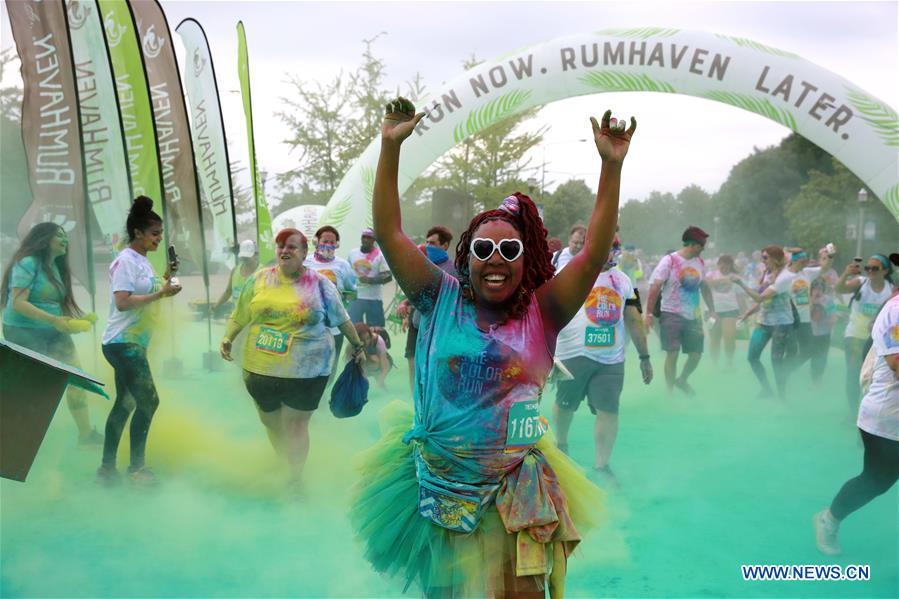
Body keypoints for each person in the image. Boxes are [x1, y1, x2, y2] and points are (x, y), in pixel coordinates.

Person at [350, 97, 633, 596]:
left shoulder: (542, 312)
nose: (495, 260)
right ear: (467, 257)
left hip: (516, 482)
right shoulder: (439, 297)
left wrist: (611, 167)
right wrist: (390, 146)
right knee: (448, 591)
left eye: (509, 249)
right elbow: (391, 233)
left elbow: (591, 254)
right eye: (483, 249)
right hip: (442, 481)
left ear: (528, 261)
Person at [220, 228, 365, 488]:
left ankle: (294, 478)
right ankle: (285, 462)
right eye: (280, 246)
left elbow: (342, 318)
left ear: (304, 252)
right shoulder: (260, 279)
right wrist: (228, 337)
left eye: (292, 246)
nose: (285, 250)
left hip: (307, 369)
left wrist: (357, 344)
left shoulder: (320, 283)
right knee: (271, 421)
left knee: (296, 424)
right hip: (260, 368)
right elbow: (240, 313)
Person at [551, 235, 652, 487]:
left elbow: (634, 318)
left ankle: (602, 465)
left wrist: (644, 356)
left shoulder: (625, 282)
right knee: (565, 405)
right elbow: (549, 308)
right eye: (604, 248)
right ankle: (561, 446)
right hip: (572, 353)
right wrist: (546, 348)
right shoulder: (568, 271)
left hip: (611, 359)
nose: (610, 254)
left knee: (609, 410)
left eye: (613, 249)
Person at [97, 197, 182, 485]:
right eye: (155, 233)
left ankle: (107, 469)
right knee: (149, 400)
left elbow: (149, 291)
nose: (159, 239)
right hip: (122, 343)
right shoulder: (125, 261)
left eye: (160, 234)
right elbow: (122, 302)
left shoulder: (142, 261)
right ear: (138, 233)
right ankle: (136, 470)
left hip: (133, 343)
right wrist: (161, 294)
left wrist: (167, 280)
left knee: (126, 403)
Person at [813, 291, 898, 555]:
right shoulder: (895, 310)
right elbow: (897, 362)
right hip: (888, 419)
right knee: (876, 481)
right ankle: (829, 519)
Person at [1, 222, 101, 445]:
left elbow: (54, 305)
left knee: (76, 378)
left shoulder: (55, 266)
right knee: (32, 387)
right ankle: (14, 438)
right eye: (60, 236)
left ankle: (85, 434)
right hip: (22, 331)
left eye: (66, 236)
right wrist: (54, 320)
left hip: (52, 330)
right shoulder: (27, 263)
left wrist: (75, 320)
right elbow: (18, 303)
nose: (65, 240)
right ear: (45, 239)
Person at [643, 226, 715, 396]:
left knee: (696, 354)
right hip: (671, 313)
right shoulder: (670, 261)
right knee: (673, 353)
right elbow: (655, 287)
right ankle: (670, 393)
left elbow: (704, 286)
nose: (703, 248)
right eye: (701, 245)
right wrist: (648, 314)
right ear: (691, 244)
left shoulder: (700, 263)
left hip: (693, 315)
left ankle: (682, 379)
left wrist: (712, 309)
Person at [732, 246, 797, 400]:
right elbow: (763, 300)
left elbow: (759, 297)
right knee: (752, 357)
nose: (762, 260)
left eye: (765, 257)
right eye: (762, 257)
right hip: (764, 321)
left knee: (776, 361)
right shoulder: (766, 274)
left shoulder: (784, 277)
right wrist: (748, 313)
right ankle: (767, 389)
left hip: (781, 324)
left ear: (775, 258)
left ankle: (782, 396)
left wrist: (741, 284)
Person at [399, 225, 456, 392]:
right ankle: (414, 400)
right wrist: (405, 303)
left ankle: (429, 403)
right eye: (427, 242)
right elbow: (417, 290)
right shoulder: (421, 267)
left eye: (433, 243)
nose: (428, 246)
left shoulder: (453, 270)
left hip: (437, 327)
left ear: (445, 246)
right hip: (416, 322)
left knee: (432, 366)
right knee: (412, 361)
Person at [836, 253, 895, 414]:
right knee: (854, 372)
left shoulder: (891, 290)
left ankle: (869, 409)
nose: (869, 271)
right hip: (854, 335)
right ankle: (852, 412)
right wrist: (846, 274)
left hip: (877, 341)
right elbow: (839, 289)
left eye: (874, 268)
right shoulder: (860, 283)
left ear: (884, 271)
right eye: (867, 268)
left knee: (874, 375)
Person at [304, 225, 357, 365]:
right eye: (324, 241)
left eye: (332, 242)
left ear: (337, 244)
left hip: (334, 328)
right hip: (308, 326)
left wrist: (340, 296)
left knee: (330, 367)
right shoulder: (305, 263)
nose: (328, 245)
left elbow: (353, 294)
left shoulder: (343, 265)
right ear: (316, 242)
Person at [785, 248, 833, 375]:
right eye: (803, 260)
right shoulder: (784, 275)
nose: (805, 263)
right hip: (791, 321)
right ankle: (783, 373)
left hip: (810, 326)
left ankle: (786, 371)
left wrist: (829, 255)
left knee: (811, 352)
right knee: (792, 351)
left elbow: (825, 267)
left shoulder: (807, 273)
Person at [704, 255, 744, 368]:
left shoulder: (736, 278)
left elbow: (740, 297)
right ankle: (714, 363)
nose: (723, 266)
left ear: (730, 265)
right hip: (712, 311)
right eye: (721, 263)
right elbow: (706, 284)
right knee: (714, 339)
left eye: (726, 264)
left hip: (730, 310)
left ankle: (729, 361)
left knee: (729, 337)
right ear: (718, 265)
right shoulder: (710, 275)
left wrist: (744, 314)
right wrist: (724, 280)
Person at [347, 228, 392, 327]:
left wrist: (371, 280)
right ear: (361, 238)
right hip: (355, 298)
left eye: (369, 237)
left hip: (374, 299)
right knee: (354, 329)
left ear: (374, 240)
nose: (366, 240)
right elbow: (348, 274)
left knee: (376, 330)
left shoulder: (379, 255)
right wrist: (347, 295)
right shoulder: (352, 253)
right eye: (364, 237)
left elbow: (388, 276)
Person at [809, 246, 840, 385]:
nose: (827, 261)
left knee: (821, 354)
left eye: (830, 258)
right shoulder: (812, 272)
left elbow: (834, 313)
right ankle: (812, 376)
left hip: (824, 326)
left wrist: (832, 318)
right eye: (824, 258)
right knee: (809, 352)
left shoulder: (833, 275)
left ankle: (817, 379)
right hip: (810, 327)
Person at [212, 239, 258, 317]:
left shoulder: (262, 272)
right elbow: (228, 291)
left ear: (256, 254)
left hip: (255, 318)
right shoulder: (235, 270)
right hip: (237, 317)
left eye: (247, 256)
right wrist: (215, 307)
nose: (244, 259)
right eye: (243, 256)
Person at [349, 322, 391, 390]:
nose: (366, 342)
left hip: (380, 361)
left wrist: (380, 381)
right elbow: (349, 365)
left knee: (378, 365)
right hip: (364, 363)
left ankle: (381, 387)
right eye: (362, 340)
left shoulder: (378, 340)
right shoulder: (352, 343)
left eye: (368, 338)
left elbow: (385, 366)